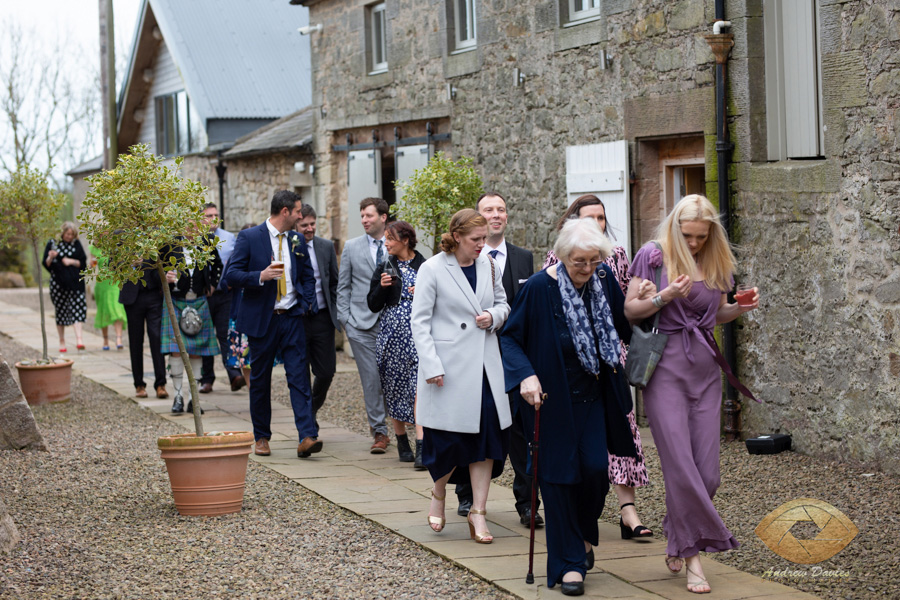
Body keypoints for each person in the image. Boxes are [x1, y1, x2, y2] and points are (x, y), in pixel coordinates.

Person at [624, 194, 759, 595]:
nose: (695, 243)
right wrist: (665, 297)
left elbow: (715, 313)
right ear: (674, 228)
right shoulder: (651, 256)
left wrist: (740, 308)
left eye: (702, 236)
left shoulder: (716, 260)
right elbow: (631, 310)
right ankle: (693, 559)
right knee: (680, 467)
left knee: (709, 475)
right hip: (664, 368)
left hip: (704, 368)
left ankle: (675, 531)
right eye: (688, 235)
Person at [501, 218, 640, 596]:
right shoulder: (539, 288)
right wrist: (526, 376)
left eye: (595, 260)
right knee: (559, 480)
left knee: (595, 470)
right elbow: (510, 339)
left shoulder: (604, 280)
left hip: (595, 398)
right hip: (550, 402)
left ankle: (581, 535)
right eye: (580, 261)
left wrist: (651, 302)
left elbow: (626, 328)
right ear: (562, 256)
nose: (587, 269)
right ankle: (569, 565)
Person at [543, 194, 652, 540]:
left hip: (611, 357)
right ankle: (576, 512)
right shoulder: (556, 259)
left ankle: (627, 511)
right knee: (584, 446)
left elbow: (625, 308)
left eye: (601, 218)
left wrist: (647, 298)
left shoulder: (617, 256)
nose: (597, 224)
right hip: (574, 361)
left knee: (623, 430)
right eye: (589, 218)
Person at [411, 209, 511, 545]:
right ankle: (438, 492)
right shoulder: (433, 268)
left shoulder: (489, 265)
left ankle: (478, 512)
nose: (483, 245)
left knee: (486, 440)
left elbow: (503, 304)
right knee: (447, 443)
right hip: (448, 369)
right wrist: (432, 365)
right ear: (456, 236)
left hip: (484, 366)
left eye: (484, 238)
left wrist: (493, 316)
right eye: (476, 240)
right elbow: (419, 322)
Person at [455, 192, 540, 526]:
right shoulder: (462, 259)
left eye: (501, 209)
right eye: (488, 210)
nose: (495, 215)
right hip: (476, 354)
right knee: (472, 423)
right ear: (477, 217)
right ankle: (466, 495)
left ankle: (528, 503)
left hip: (516, 357)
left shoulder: (523, 257)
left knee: (523, 433)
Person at [225, 190, 320, 459]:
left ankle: (306, 436)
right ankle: (262, 437)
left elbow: (308, 276)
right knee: (260, 380)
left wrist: (306, 303)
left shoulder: (296, 239)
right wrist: (261, 276)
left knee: (300, 377)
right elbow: (232, 274)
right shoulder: (250, 237)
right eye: (299, 211)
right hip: (262, 320)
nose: (302, 216)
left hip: (291, 317)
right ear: (286, 211)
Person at [366, 220, 426, 464]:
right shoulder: (384, 266)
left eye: (390, 239)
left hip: (419, 337)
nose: (386, 243)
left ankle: (422, 446)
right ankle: (402, 441)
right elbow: (372, 304)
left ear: (405, 240)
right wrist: (381, 287)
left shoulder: (425, 265)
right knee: (393, 388)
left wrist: (421, 291)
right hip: (391, 338)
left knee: (419, 389)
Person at [337, 197, 391, 454]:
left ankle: (401, 425)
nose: (364, 220)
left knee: (393, 376)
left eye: (369, 215)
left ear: (383, 217)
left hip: (392, 323)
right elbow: (343, 286)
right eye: (362, 216)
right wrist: (345, 320)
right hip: (360, 324)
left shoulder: (396, 244)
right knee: (371, 379)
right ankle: (379, 431)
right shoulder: (351, 246)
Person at [159, 238, 222, 415]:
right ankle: (178, 397)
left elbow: (218, 264)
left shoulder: (206, 243)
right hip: (175, 302)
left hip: (199, 302)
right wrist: (164, 276)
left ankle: (193, 400)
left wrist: (212, 284)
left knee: (197, 350)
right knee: (176, 350)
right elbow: (155, 269)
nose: (192, 227)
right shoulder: (170, 244)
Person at [295, 204, 340, 434]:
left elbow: (334, 281)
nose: (310, 229)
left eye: (312, 224)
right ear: (296, 225)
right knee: (300, 371)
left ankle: (310, 410)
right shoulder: (290, 247)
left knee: (326, 372)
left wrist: (337, 311)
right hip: (299, 319)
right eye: (305, 225)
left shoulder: (324, 246)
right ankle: (307, 424)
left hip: (323, 318)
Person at [199, 203, 245, 394]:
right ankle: (207, 379)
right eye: (209, 215)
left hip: (225, 294)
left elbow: (234, 263)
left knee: (225, 334)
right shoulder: (196, 239)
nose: (214, 219)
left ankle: (234, 374)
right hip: (203, 297)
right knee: (205, 336)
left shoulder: (229, 238)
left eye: (216, 215)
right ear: (201, 218)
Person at [120, 260, 168, 399]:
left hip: (154, 293)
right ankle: (139, 384)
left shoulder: (154, 237)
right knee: (135, 341)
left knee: (156, 337)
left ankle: (161, 383)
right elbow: (113, 263)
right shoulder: (120, 238)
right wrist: (131, 264)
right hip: (132, 297)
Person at [43, 222, 87, 353]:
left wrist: (71, 261)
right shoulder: (53, 243)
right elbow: (46, 264)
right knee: (61, 312)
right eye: (68, 234)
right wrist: (50, 257)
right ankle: (62, 341)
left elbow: (83, 263)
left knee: (78, 309)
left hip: (76, 284)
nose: (69, 236)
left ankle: (79, 339)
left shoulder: (76, 244)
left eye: (72, 234)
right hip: (58, 284)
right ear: (62, 233)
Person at [89, 245, 127, 350]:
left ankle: (118, 338)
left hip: (115, 281)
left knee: (117, 308)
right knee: (103, 310)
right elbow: (92, 265)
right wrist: (92, 264)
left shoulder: (116, 245)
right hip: (102, 283)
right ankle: (105, 340)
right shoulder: (95, 248)